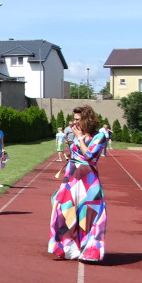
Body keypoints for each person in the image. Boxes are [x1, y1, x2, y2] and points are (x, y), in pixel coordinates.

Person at [49, 105, 108, 262]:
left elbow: (89, 155)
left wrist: (81, 138)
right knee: (64, 210)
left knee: (89, 213)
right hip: (72, 177)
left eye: (77, 119)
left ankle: (89, 250)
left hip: (89, 179)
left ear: (86, 119)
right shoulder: (75, 136)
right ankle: (68, 247)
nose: (73, 123)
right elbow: (74, 154)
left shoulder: (99, 136)